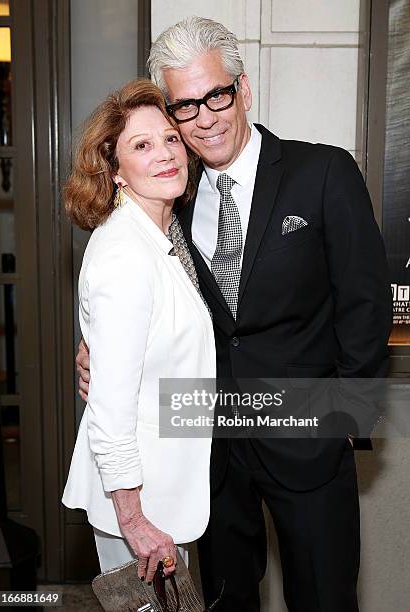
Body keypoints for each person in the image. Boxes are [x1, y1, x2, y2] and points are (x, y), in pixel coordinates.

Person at [76, 17, 392, 612]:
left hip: (308, 434)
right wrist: (97, 347)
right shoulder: (172, 189)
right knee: (222, 600)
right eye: (185, 105)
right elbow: (140, 294)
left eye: (216, 94)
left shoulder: (322, 172)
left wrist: (349, 418)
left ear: (243, 90)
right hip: (206, 445)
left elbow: (365, 302)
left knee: (325, 598)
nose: (204, 117)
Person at [62, 79, 216, 583]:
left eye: (171, 138)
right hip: (139, 508)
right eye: (141, 146)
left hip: (165, 491)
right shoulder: (126, 255)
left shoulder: (160, 233)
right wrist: (133, 519)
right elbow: (110, 408)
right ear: (115, 171)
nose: (166, 155)